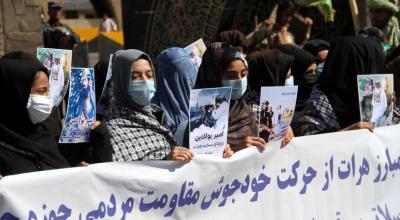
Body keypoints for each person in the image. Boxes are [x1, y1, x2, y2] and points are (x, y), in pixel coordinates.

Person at [104, 49, 195, 161]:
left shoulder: (157, 115)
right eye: (135, 77)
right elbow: (122, 173)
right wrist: (164, 160)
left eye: (149, 75)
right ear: (121, 81)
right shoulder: (112, 132)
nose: (145, 81)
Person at [292, 36, 385, 136]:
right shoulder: (318, 103)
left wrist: (387, 108)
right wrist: (344, 134)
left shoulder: (380, 97)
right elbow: (306, 144)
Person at [154, 47, 233, 157]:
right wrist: (166, 157)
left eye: (190, 70)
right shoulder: (153, 115)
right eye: (181, 74)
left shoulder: (203, 105)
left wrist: (222, 149)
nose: (189, 78)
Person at [0, 57, 70, 176]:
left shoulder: (44, 134)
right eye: (41, 91)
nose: (48, 97)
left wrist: (75, 173)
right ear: (17, 93)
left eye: (48, 90)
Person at [195, 45, 267, 152]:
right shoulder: (197, 116)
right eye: (230, 76)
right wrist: (237, 151)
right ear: (213, 76)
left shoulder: (249, 112)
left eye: (243, 74)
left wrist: (282, 135)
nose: (239, 80)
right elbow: (197, 161)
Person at [246, 0, 313, 50]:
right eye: (286, 15)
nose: (288, 19)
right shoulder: (269, 27)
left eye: (291, 16)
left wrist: (308, 28)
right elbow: (249, 41)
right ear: (279, 13)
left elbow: (300, 48)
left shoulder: (291, 32)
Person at [279, 45, 318, 112]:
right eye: (309, 72)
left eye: (315, 71)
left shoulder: (315, 100)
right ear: (295, 70)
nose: (313, 75)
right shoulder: (275, 100)